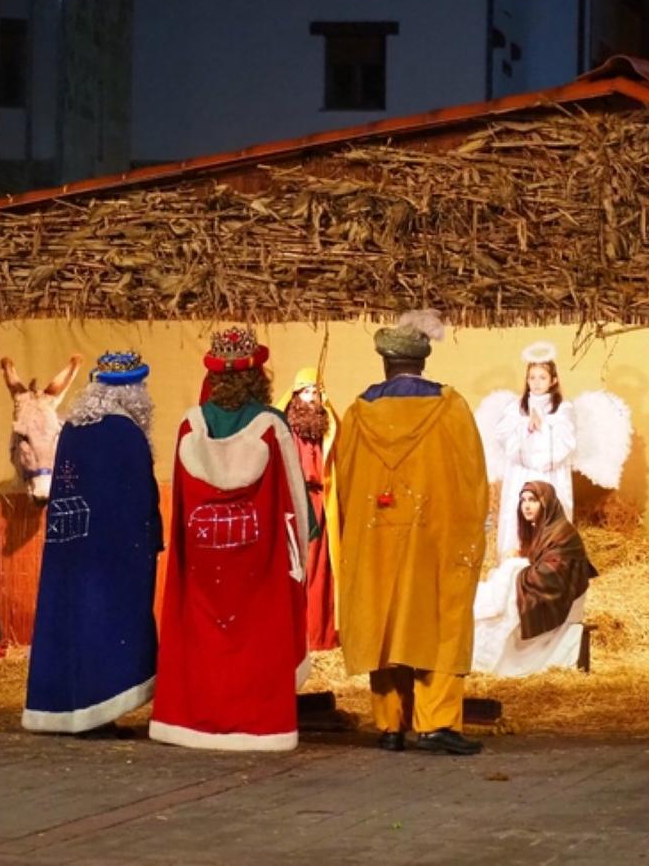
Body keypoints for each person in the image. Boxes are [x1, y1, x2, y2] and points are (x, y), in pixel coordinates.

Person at [149, 326, 311, 751]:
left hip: (203, 555)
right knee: (254, 638)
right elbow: (294, 493)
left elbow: (182, 499)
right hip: (259, 555)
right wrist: (304, 541)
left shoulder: (189, 424)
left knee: (205, 633)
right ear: (258, 375)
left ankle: (198, 721)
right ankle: (254, 724)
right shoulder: (271, 425)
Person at [336, 310, 488, 755]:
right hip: (435, 537)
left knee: (385, 621)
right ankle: (437, 721)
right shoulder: (450, 407)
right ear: (423, 362)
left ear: (385, 363)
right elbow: (472, 477)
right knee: (438, 619)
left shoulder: (357, 412)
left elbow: (344, 483)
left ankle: (391, 724)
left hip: (376, 537)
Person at [22, 351, 163, 735]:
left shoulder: (73, 430)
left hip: (71, 546)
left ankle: (68, 707)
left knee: (71, 622)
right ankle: (97, 709)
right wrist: (149, 540)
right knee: (106, 624)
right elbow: (138, 498)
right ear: (131, 392)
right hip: (112, 554)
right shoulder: (125, 433)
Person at [476, 341, 632, 562]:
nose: (536, 383)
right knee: (521, 515)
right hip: (522, 474)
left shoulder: (562, 408)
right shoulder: (515, 407)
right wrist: (525, 428)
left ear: (553, 381)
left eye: (542, 377)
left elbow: (566, 443)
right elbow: (503, 436)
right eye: (532, 377)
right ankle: (516, 564)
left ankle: (552, 564)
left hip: (550, 476)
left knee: (548, 517)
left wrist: (543, 427)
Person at [472, 480, 598, 676]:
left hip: (560, 598)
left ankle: (485, 660)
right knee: (485, 602)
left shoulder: (563, 534)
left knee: (498, 600)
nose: (526, 506)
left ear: (546, 502)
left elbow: (554, 575)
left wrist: (516, 568)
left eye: (533, 500)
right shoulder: (542, 530)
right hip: (541, 590)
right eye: (523, 500)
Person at [276, 366, 342, 651]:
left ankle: (318, 636)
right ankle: (291, 633)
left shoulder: (325, 427)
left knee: (319, 570)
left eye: (316, 392)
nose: (311, 397)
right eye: (306, 391)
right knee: (295, 568)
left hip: (319, 504)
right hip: (294, 502)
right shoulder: (286, 427)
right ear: (294, 395)